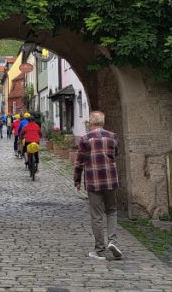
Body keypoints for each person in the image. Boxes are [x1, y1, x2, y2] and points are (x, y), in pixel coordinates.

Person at [73, 111, 122, 261]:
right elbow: (116, 153)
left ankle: (100, 250)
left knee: (97, 215)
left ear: (91, 123)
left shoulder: (85, 139)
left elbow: (80, 161)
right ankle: (112, 241)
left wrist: (77, 179)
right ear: (103, 122)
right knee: (112, 210)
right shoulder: (112, 136)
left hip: (93, 181)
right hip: (110, 179)